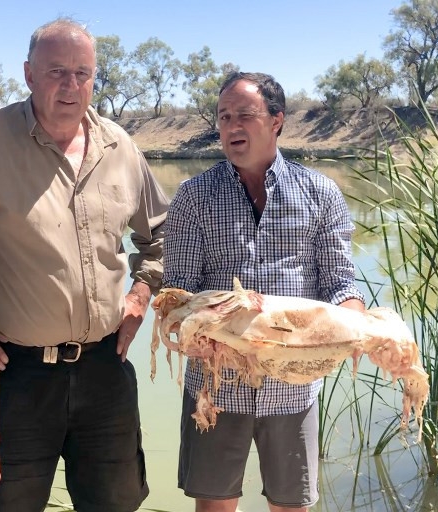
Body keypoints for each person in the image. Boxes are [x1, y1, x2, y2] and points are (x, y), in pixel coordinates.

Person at [0, 17, 169, 512]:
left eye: (82, 72)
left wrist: (140, 296)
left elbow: (162, 237)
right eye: (56, 70)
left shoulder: (119, 146)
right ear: (28, 74)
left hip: (107, 368)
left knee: (117, 503)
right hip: (13, 375)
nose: (71, 84)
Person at [163, 72, 366, 512]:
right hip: (216, 385)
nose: (232, 126)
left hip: (293, 384)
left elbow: (339, 282)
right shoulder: (192, 197)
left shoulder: (321, 193)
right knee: (215, 505)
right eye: (224, 117)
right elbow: (177, 293)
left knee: (292, 505)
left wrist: (353, 318)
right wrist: (192, 328)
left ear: (277, 120)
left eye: (245, 115)